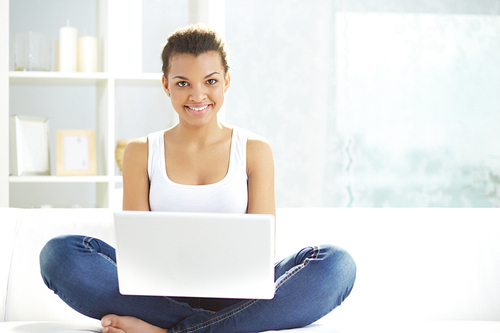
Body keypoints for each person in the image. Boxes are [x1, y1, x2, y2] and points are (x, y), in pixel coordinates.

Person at [39, 24, 356, 333]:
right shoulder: (140, 151)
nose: (198, 95)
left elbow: (261, 253)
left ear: (226, 81)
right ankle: (227, 325)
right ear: (165, 85)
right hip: (159, 294)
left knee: (337, 265)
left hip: (241, 292)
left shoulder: (255, 150)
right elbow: (137, 253)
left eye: (210, 81)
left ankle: (171, 331)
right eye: (182, 83)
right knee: (59, 255)